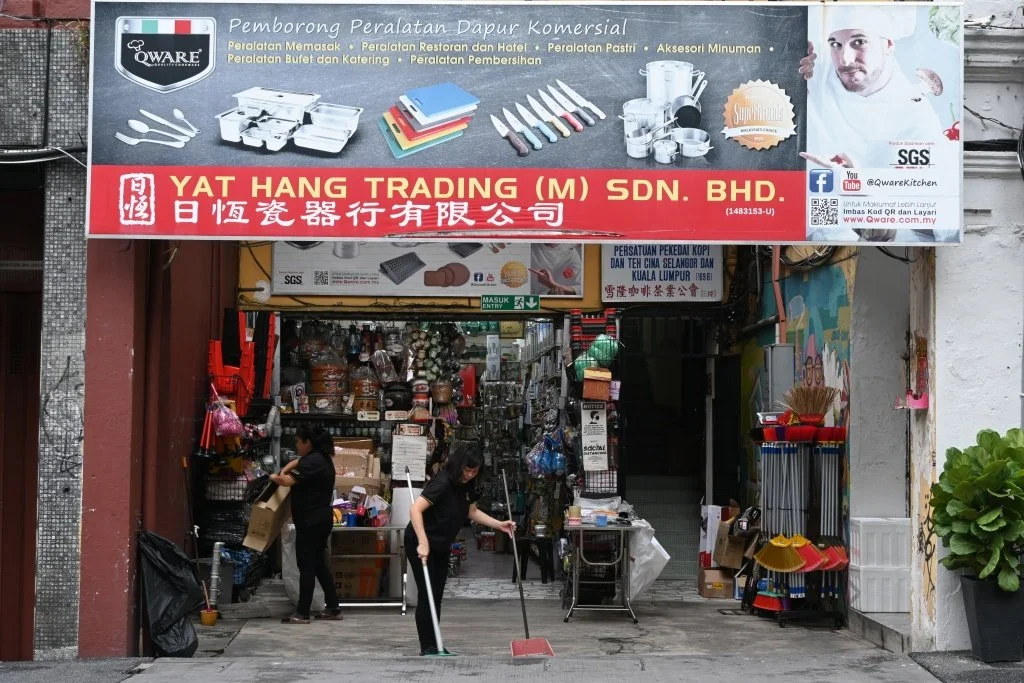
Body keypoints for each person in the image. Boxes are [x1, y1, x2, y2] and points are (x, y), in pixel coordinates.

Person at [800, 6, 944, 171]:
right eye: (836, 44)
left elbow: (930, 185)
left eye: (859, 42)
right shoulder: (816, 72)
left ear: (888, 45)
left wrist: (857, 181)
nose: (845, 60)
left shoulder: (917, 116)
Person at [405, 444, 515, 655]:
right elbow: (415, 509)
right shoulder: (442, 482)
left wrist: (499, 525)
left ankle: (435, 644)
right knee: (427, 593)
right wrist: (423, 541)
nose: (470, 474)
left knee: (436, 594)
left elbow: (471, 511)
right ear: (458, 465)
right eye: (467, 470)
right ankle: (428, 646)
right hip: (421, 542)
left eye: (474, 471)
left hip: (441, 543)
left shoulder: (468, 485)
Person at [271, 425, 343, 624]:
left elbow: (286, 482)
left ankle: (302, 612)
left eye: (298, 442)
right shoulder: (322, 458)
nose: (296, 445)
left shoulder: (312, 462)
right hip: (321, 518)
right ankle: (334, 607)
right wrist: (286, 467)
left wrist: (274, 477)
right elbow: (297, 462)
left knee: (307, 565)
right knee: (319, 564)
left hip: (310, 520)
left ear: (307, 443)